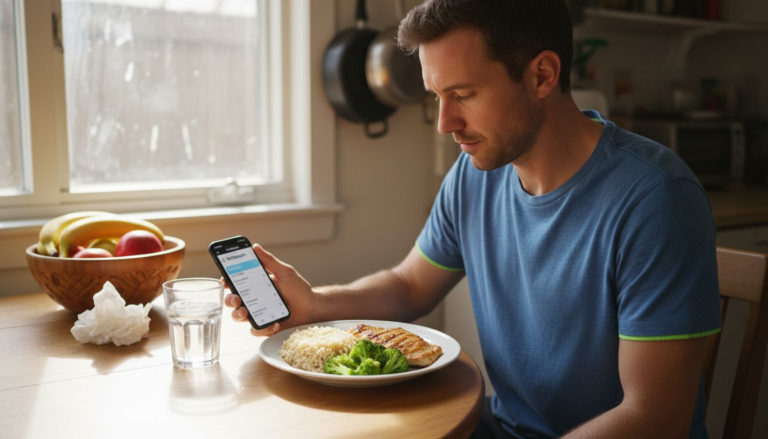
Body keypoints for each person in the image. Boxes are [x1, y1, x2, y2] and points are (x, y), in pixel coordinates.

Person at [225, 0, 722, 437]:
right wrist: (313, 303)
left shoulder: (655, 200)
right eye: (435, 97)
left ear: (543, 75)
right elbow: (408, 286)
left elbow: (655, 419)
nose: (446, 124)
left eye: (463, 95)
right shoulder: (475, 174)